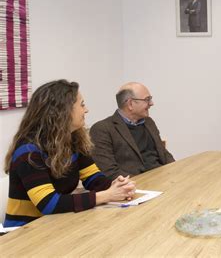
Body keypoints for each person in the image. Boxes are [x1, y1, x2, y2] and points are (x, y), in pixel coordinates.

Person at [3, 80, 136, 227]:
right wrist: (106, 195)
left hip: (56, 224)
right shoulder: (28, 151)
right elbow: (48, 204)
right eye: (82, 104)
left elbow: (94, 179)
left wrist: (116, 185)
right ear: (63, 111)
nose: (86, 110)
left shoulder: (73, 140)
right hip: (24, 232)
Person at [90, 82, 175, 180]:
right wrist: (142, 183)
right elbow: (109, 171)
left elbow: (164, 153)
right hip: (136, 184)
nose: (151, 103)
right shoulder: (102, 129)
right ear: (130, 104)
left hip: (162, 178)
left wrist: (174, 169)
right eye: (147, 99)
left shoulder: (149, 122)